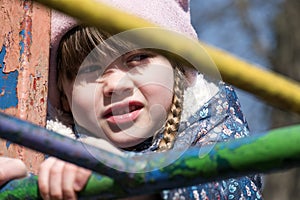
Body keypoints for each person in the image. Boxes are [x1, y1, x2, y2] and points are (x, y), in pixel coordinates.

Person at [41, 0, 263, 199]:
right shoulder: (40, 150)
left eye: (138, 58)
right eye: (88, 70)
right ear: (63, 97)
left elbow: (230, 188)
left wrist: (130, 182)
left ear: (177, 70)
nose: (115, 85)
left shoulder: (213, 127)